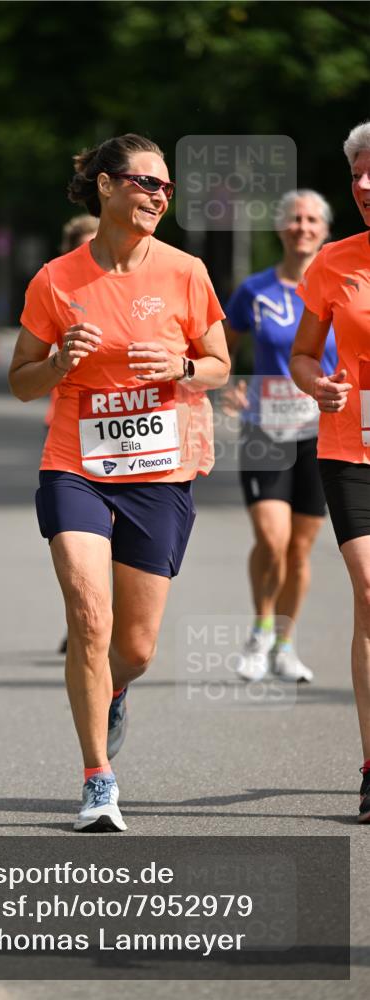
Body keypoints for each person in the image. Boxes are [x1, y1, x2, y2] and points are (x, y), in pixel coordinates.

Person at [9, 133, 230, 832]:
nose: (157, 196)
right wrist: (57, 365)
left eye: (165, 187)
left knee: (132, 648)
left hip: (158, 472)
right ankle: (97, 780)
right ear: (105, 187)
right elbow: (20, 380)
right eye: (144, 182)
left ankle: (111, 690)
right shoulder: (55, 279)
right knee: (88, 615)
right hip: (75, 462)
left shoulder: (186, 272)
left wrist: (182, 367)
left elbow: (221, 363)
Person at [223, 190, 337, 684]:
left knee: (299, 550)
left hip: (324, 431)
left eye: (312, 219)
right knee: (272, 538)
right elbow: (221, 349)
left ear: (325, 230)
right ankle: (260, 631)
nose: (302, 226)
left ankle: (286, 644)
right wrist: (231, 388)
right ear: (280, 228)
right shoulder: (255, 291)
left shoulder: (342, 287)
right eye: (294, 218)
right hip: (265, 430)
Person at [290, 120, 370, 824]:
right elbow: (302, 354)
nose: (365, 185)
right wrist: (317, 386)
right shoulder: (334, 263)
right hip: (351, 448)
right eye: (356, 175)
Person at [53, 215, 99, 654]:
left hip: (136, 439)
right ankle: (86, 620)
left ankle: (106, 624)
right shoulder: (57, 287)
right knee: (82, 546)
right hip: (72, 427)